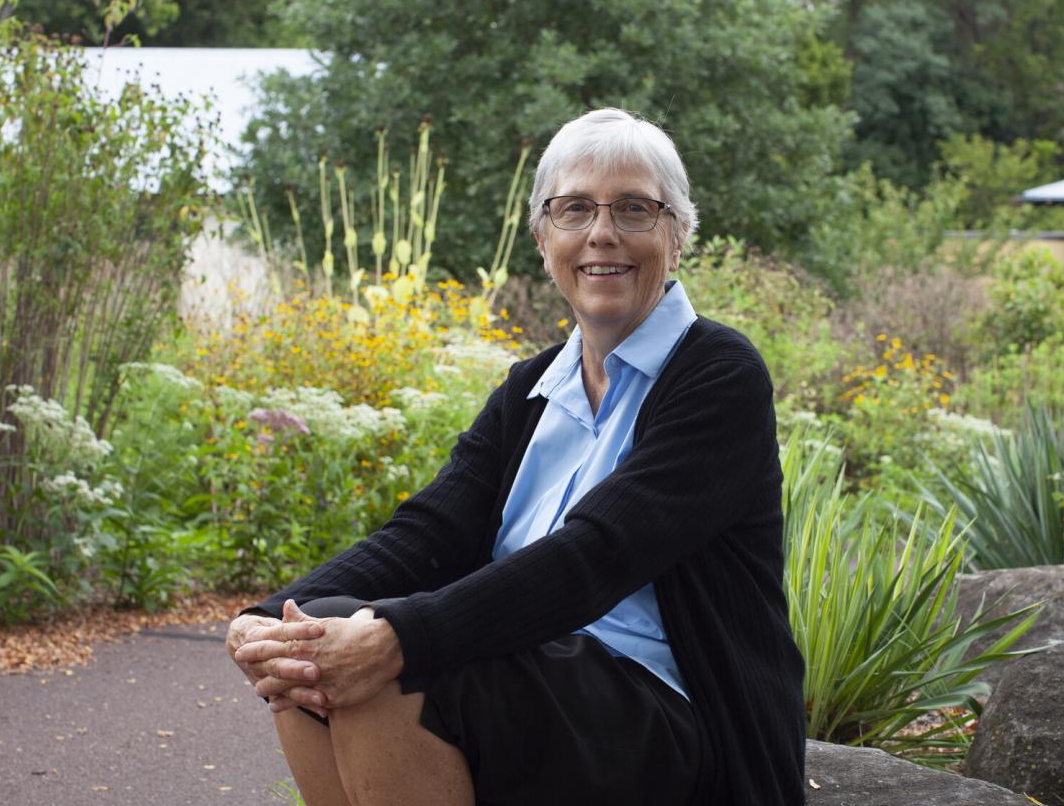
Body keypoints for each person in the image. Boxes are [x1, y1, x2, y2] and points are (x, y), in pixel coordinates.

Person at [226, 108, 806, 806]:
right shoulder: (530, 388)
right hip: (531, 680)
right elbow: (429, 532)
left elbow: (597, 556)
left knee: (393, 668)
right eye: (574, 210)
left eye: (634, 209)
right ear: (542, 237)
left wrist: (402, 636)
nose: (602, 233)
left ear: (678, 235)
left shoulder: (717, 375)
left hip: (670, 720)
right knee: (310, 640)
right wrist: (270, 615)